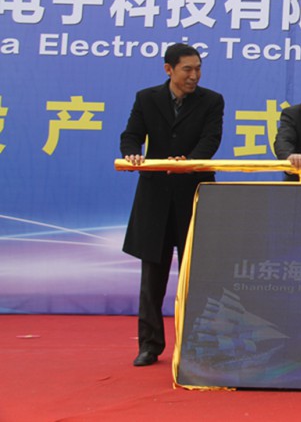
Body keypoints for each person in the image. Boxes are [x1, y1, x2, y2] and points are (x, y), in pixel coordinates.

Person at [120, 42, 224, 367]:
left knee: (196, 276)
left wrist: (188, 162)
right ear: (169, 69)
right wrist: (131, 153)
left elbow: (210, 140)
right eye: (187, 69)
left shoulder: (212, 101)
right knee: (152, 278)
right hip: (155, 199)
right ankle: (150, 345)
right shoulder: (146, 98)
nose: (194, 76)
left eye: (198, 69)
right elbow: (131, 135)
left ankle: (196, 344)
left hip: (193, 195)